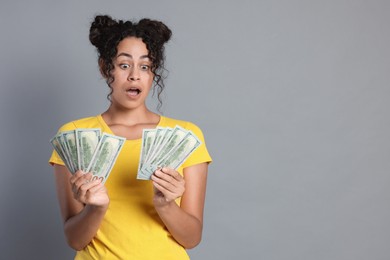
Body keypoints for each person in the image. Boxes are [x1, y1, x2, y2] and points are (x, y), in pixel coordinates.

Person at [49, 15, 212, 259]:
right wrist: (96, 208)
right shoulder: (74, 136)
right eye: (124, 65)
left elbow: (192, 238)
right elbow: (75, 239)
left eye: (145, 66)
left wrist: (166, 204)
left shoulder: (188, 136)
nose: (135, 75)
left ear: (152, 73)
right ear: (106, 68)